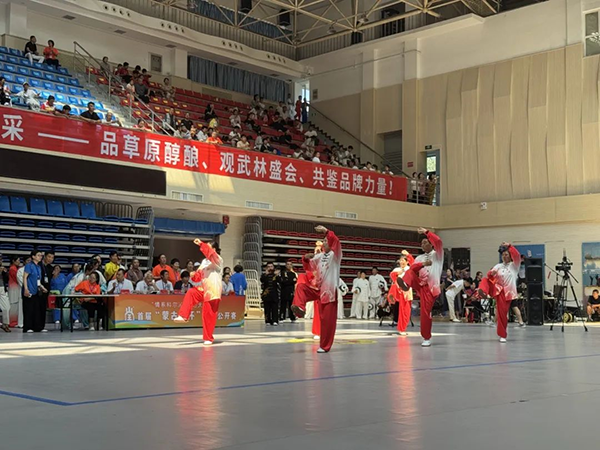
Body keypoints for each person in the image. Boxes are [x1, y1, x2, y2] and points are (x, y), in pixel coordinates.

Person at [291, 226, 342, 353]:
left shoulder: (335, 255)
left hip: (329, 292)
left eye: (326, 240)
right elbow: (309, 267)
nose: (324, 242)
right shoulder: (319, 256)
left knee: (327, 321)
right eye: (323, 240)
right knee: (301, 287)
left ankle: (325, 346)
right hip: (317, 289)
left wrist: (326, 231)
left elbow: (335, 240)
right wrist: (305, 258)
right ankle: (300, 308)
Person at [396, 228, 444, 347]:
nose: (423, 245)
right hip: (420, 285)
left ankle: (426, 337)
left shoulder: (437, 255)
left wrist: (426, 232)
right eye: (421, 243)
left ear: (431, 244)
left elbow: (438, 241)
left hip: (431, 288)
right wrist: (423, 264)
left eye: (425, 242)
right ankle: (406, 286)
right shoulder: (419, 258)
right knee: (410, 270)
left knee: (425, 312)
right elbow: (413, 269)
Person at [174, 239, 223, 345]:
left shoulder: (218, 259)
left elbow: (209, 253)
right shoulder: (204, 261)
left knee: (208, 314)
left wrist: (201, 244)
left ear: (214, 249)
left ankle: (208, 338)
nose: (206, 248)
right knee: (191, 292)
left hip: (213, 290)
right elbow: (198, 276)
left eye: (208, 246)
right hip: (204, 288)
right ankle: (183, 316)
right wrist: (193, 275)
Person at [478, 242, 524, 343]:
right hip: (499, 291)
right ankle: (482, 293)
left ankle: (502, 334)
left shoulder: (514, 265)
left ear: (510, 256)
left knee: (502, 313)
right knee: (485, 280)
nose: (504, 256)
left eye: (506, 254)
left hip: (508, 292)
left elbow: (517, 255)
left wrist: (509, 246)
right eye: (503, 255)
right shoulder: (498, 266)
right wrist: (491, 273)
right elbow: (490, 274)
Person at [22, 250, 48, 333]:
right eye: (38, 255)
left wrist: (42, 287)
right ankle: (28, 327)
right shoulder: (29, 266)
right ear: (33, 256)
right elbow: (25, 277)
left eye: (41, 255)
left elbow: (38, 279)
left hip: (36, 290)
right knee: (29, 309)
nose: (40, 257)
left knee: (36, 310)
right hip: (29, 289)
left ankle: (37, 327)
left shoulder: (39, 267)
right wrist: (26, 289)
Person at [389, 251, 414, 335]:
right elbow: (392, 277)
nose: (401, 262)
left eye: (403, 260)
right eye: (400, 260)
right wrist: (397, 273)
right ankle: (401, 329)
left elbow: (414, 263)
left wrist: (408, 254)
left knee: (407, 311)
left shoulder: (409, 269)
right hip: (399, 292)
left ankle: (403, 328)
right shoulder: (396, 270)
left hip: (407, 291)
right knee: (401, 310)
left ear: (407, 262)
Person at [8, 256, 22, 328]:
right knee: (13, 305)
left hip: (15, 288)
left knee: (15, 305)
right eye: (18, 260)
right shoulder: (13, 269)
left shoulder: (16, 268)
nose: (19, 262)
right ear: (13, 261)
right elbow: (17, 278)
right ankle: (12, 322)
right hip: (13, 288)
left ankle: (14, 321)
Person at [0, 258, 10, 332]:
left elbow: (6, 280)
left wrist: (5, 273)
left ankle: (5, 324)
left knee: (6, 307)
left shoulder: (3, 269)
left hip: (2, 288)